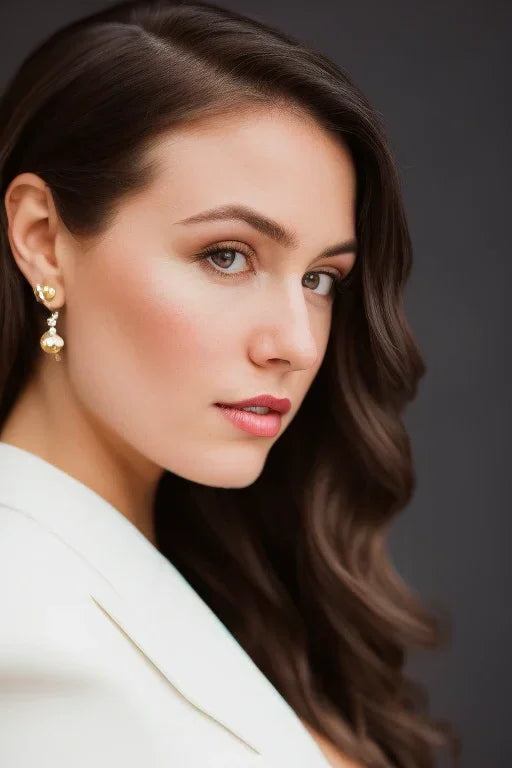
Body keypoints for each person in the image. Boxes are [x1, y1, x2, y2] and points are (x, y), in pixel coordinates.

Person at [0, 1, 460, 766]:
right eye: (226, 255)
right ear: (44, 242)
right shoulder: (26, 630)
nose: (298, 342)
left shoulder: (218, 573)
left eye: (320, 277)